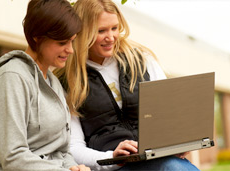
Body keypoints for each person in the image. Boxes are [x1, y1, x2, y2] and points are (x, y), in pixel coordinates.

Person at [54, 0, 202, 170]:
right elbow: (73, 148)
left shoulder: (142, 60)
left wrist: (178, 141)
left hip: (160, 161)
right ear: (82, 32)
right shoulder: (68, 81)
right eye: (101, 31)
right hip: (115, 167)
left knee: (174, 167)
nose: (111, 37)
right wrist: (112, 157)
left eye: (115, 28)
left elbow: (169, 116)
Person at [0, 0, 90, 170]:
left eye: (71, 41)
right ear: (36, 37)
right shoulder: (12, 77)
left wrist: (74, 167)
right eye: (62, 43)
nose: (70, 50)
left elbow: (61, 151)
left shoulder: (53, 82)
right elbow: (13, 157)